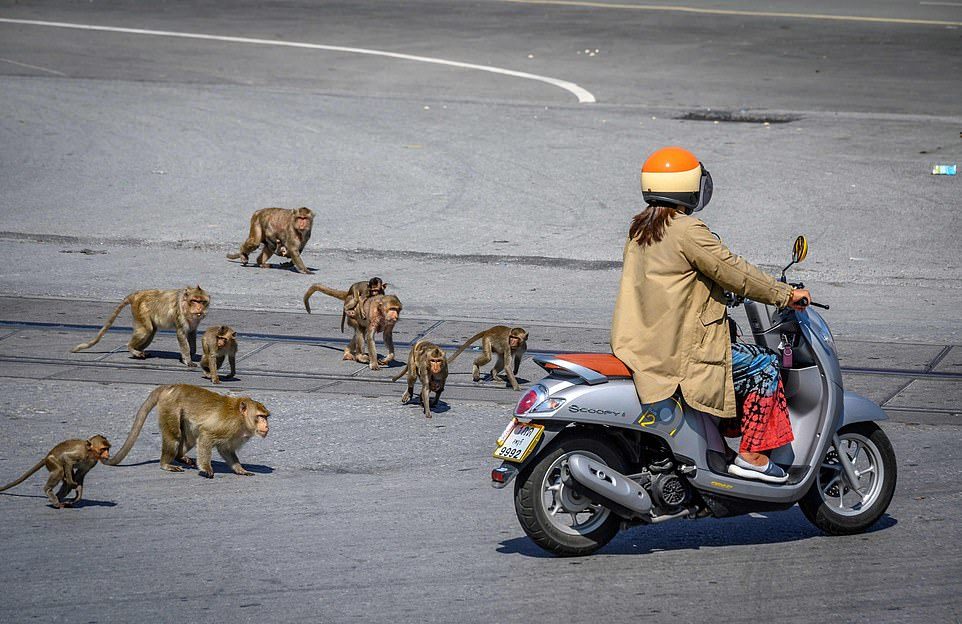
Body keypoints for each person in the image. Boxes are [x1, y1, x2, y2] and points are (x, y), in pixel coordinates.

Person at [610, 146, 811, 484]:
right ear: (689, 186)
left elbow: (674, 281)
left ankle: (714, 445)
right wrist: (786, 295)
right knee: (764, 364)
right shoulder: (687, 229)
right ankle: (752, 456)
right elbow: (733, 271)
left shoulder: (642, 228)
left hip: (641, 343)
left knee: (734, 353)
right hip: (678, 351)